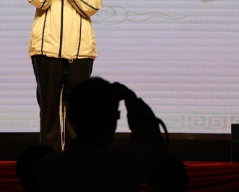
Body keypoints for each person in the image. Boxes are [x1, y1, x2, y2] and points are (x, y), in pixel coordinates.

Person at [24, 0, 103, 152]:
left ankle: (75, 161)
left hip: (79, 52)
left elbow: (91, 6)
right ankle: (49, 161)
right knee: (48, 108)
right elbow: (38, 0)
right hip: (46, 51)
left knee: (77, 110)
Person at [37, 77, 166, 192]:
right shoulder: (126, 162)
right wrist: (131, 98)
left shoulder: (49, 166)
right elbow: (153, 141)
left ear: (70, 117)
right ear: (114, 118)